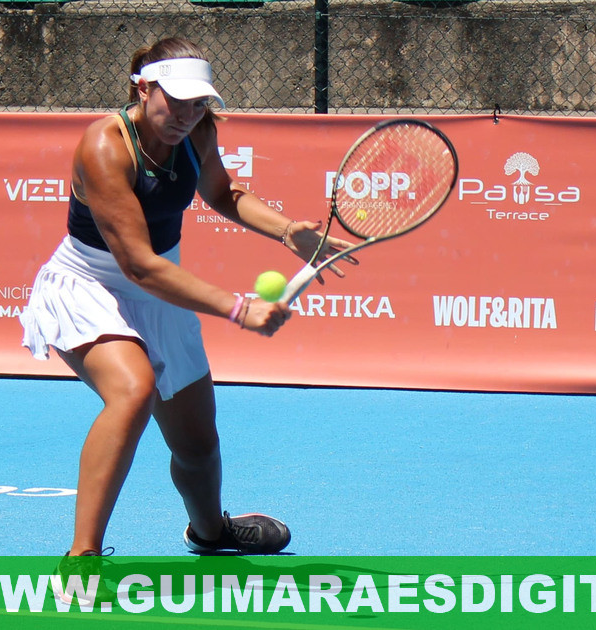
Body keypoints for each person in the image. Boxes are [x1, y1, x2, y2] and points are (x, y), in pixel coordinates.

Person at [19, 36, 353, 560]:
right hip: (90, 286)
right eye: (175, 100)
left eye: (198, 102)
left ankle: (210, 533)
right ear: (144, 87)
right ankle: (81, 560)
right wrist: (239, 308)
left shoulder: (197, 129)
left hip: (159, 289)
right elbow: (138, 265)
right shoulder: (104, 146)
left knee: (196, 444)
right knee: (133, 391)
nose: (186, 113)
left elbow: (221, 193)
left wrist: (288, 231)